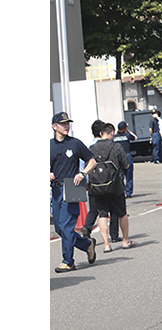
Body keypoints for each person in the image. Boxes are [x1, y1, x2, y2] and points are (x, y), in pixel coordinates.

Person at [50, 112, 98, 273]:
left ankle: (68, 261)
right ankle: (87, 244)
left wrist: (83, 173)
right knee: (59, 228)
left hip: (72, 187)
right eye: (63, 124)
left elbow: (92, 161)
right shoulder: (48, 145)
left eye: (68, 123)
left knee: (66, 226)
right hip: (56, 190)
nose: (66, 126)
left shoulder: (75, 144)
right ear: (54, 126)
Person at [91, 123, 135, 252]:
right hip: (115, 186)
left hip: (98, 187)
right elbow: (126, 165)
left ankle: (106, 245)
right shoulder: (116, 147)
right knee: (122, 213)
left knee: (102, 214)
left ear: (100, 134)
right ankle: (126, 241)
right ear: (111, 133)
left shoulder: (92, 148)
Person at [113, 121, 137, 198]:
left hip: (118, 157)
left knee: (120, 175)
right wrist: (129, 131)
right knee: (129, 175)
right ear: (125, 128)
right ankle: (129, 192)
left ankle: (120, 191)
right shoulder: (127, 135)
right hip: (127, 156)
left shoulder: (115, 137)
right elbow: (135, 138)